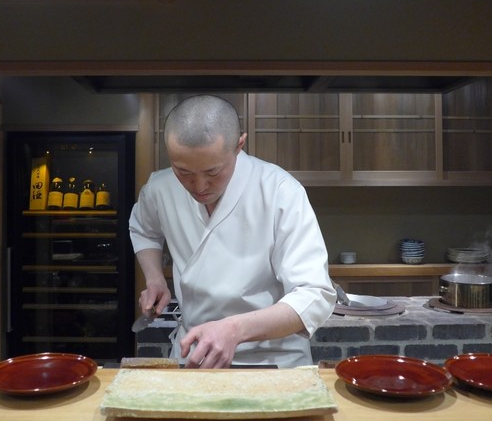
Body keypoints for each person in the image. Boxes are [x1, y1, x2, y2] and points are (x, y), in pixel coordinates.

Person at [129, 94, 336, 368]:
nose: (199, 186)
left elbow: (314, 296)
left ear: (239, 145)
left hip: (273, 359)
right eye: (184, 172)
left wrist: (234, 329)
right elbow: (144, 230)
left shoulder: (280, 191)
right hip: (195, 354)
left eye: (213, 172)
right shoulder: (160, 188)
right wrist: (155, 279)